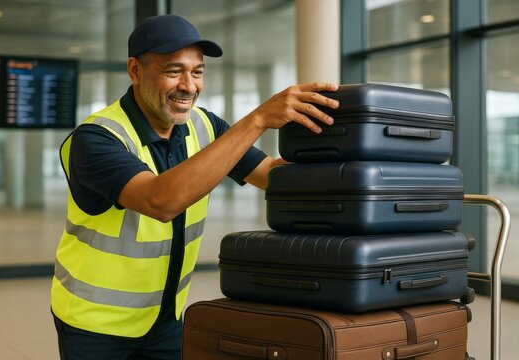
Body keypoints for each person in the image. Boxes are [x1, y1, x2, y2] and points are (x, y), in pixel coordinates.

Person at [50, 14, 339, 360]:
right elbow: (161, 200)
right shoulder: (96, 138)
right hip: (95, 323)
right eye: (173, 71)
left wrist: (353, 161)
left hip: (165, 317)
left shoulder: (205, 125)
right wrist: (258, 118)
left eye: (197, 71)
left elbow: (271, 175)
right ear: (135, 71)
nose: (189, 85)